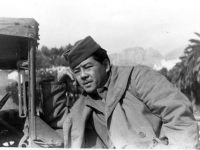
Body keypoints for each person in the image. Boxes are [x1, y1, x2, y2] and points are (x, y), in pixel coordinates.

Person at [61, 36, 199, 149]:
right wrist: (57, 84)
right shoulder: (84, 104)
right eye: (77, 71)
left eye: (88, 67)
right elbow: (56, 124)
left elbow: (180, 118)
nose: (82, 75)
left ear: (106, 65)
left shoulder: (139, 77)